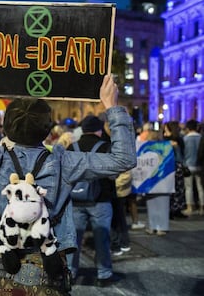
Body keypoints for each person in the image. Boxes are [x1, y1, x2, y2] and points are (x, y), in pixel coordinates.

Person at [0, 68, 136, 294]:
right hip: (50, 261)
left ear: (6, 127)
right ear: (47, 130)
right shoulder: (65, 161)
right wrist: (112, 107)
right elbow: (123, 159)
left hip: (7, 260)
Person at [66, 115, 120, 286]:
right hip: (100, 200)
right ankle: (104, 275)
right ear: (99, 129)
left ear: (82, 129)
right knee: (102, 239)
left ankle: (70, 273)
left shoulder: (71, 147)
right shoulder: (105, 147)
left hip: (75, 200)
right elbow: (113, 174)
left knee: (72, 239)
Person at [144, 130, 170, 236]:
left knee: (151, 205)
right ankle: (161, 227)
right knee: (163, 204)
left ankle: (152, 226)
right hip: (164, 179)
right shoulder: (166, 148)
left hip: (150, 181)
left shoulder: (145, 149)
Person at [163, 121, 187, 219]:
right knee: (172, 188)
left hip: (176, 165)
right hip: (172, 165)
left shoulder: (177, 139)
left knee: (178, 189)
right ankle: (172, 210)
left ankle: (177, 209)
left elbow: (181, 153)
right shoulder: (166, 139)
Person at [182, 119, 204, 216]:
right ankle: (202, 208)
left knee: (188, 188)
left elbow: (183, 153)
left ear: (188, 128)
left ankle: (189, 207)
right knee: (200, 188)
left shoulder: (185, 139)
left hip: (188, 165)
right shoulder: (201, 138)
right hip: (199, 166)